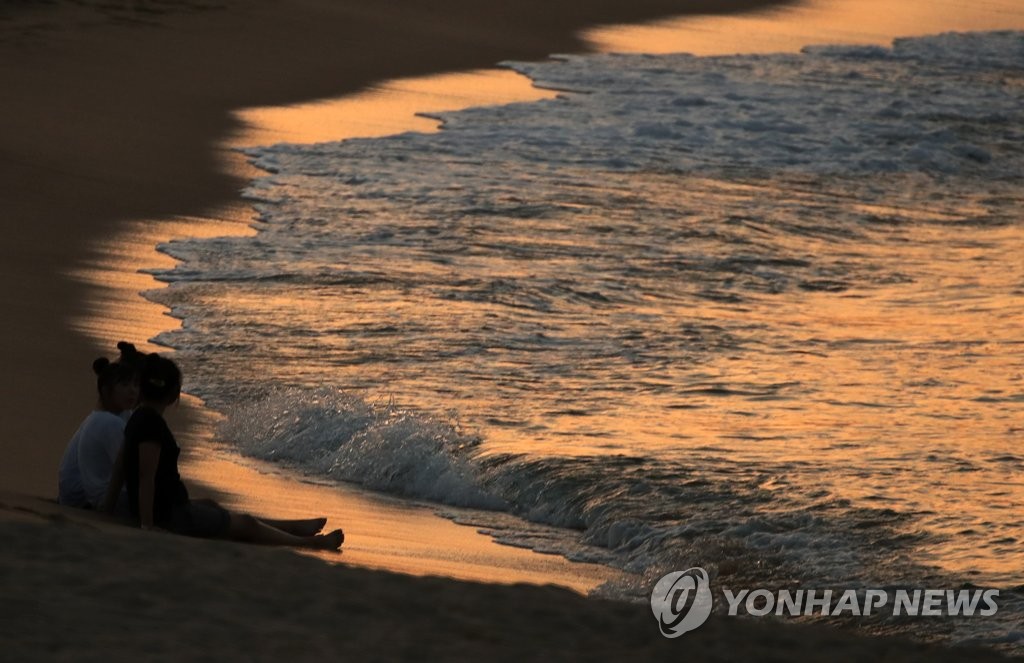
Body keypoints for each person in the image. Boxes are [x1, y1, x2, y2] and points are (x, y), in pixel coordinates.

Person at [123, 352, 343, 550]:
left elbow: (120, 464)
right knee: (245, 524)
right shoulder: (152, 426)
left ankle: (291, 527)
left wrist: (107, 504)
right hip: (170, 515)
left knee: (211, 505)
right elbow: (146, 476)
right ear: (173, 395)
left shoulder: (138, 417)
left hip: (168, 507)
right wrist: (147, 525)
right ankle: (309, 542)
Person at [57, 343, 143, 510]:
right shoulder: (109, 421)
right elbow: (126, 467)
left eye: (136, 385)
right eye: (125, 385)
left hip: (80, 492)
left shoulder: (117, 414)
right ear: (107, 390)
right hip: (83, 498)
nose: (133, 391)